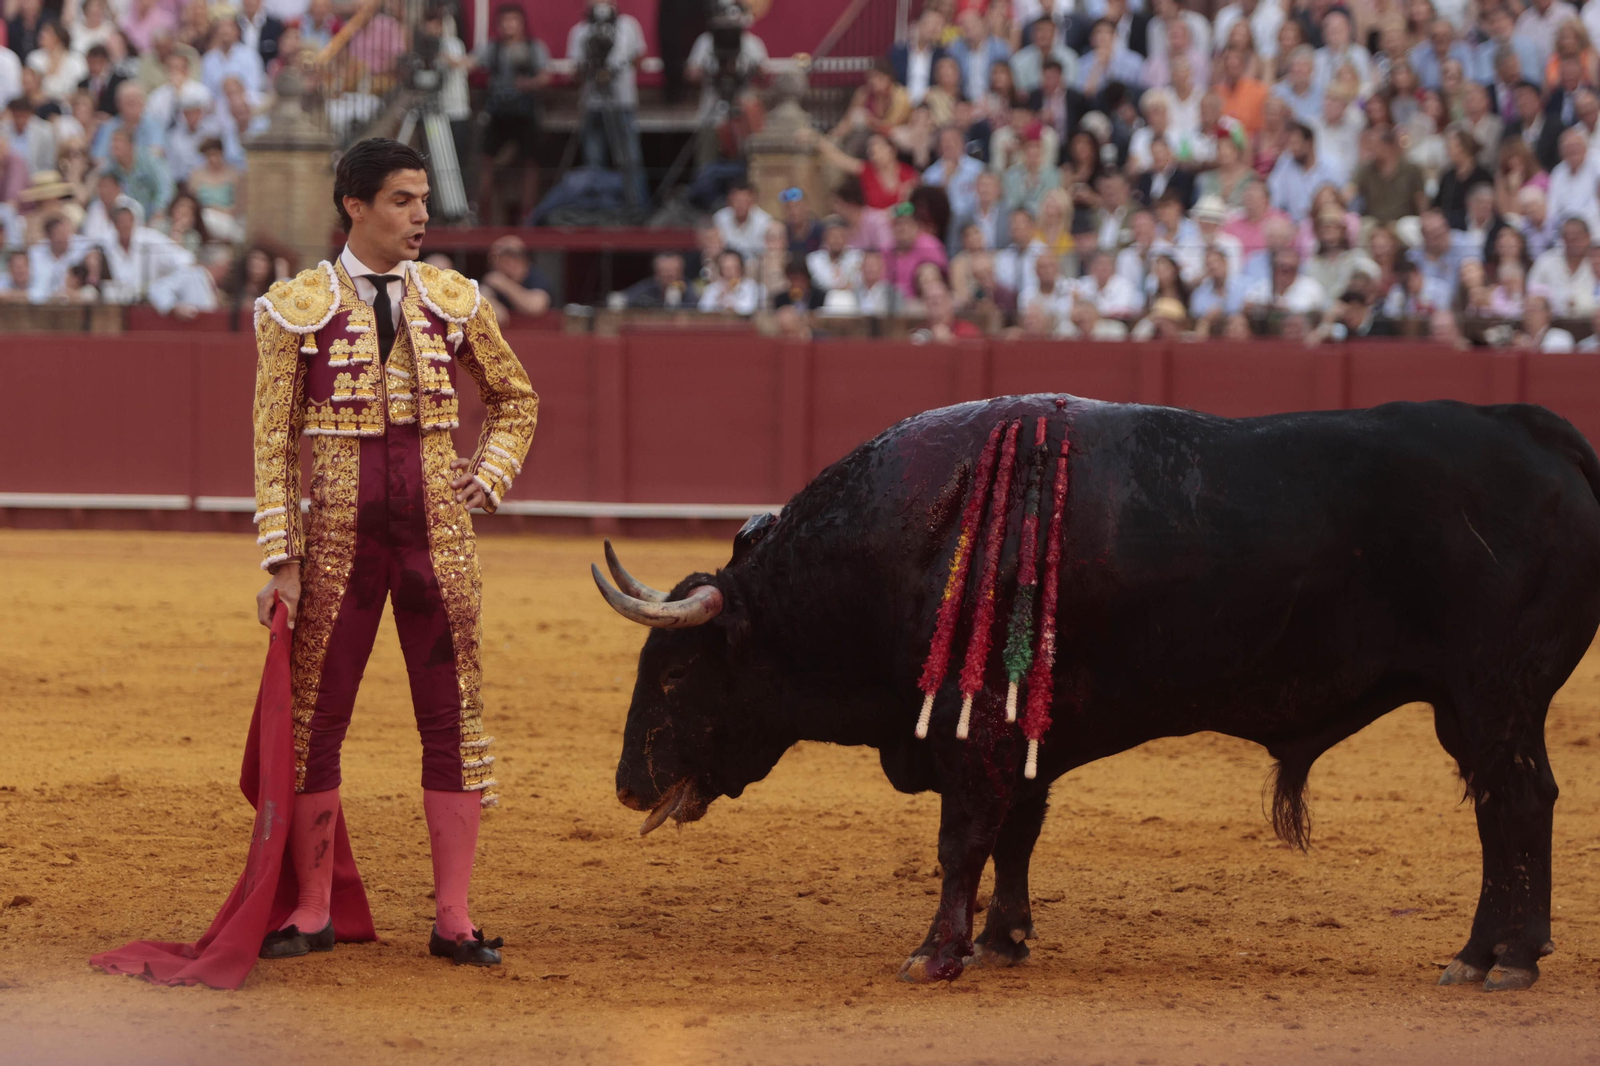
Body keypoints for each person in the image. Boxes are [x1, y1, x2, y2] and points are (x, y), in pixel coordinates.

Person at [250, 139, 537, 967]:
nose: (421, 215)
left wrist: (491, 473)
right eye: (404, 200)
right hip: (336, 542)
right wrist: (281, 558)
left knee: (454, 721)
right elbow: (273, 442)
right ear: (356, 205)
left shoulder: (453, 298)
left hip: (438, 539)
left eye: (422, 201)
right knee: (315, 722)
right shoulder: (293, 307)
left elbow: (516, 398)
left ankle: (454, 916)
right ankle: (312, 909)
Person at [567, 0, 648, 208]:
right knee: (594, 161)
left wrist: (615, 69)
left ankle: (636, 207)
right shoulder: (580, 30)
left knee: (630, 159)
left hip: (622, 101)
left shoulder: (628, 25)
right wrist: (591, 67)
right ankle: (598, 207)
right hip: (592, 102)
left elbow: (639, 57)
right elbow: (575, 70)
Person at [475, 4, 550, 225]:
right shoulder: (492, 48)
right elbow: (472, 62)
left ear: (521, 23)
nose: (509, 25)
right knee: (486, 162)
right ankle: (483, 213)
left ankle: (528, 213)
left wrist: (530, 83)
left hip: (525, 113)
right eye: (505, 21)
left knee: (530, 164)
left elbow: (545, 77)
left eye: (513, 20)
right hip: (498, 112)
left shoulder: (534, 47)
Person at [479, 233, 554, 319]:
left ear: (525, 260)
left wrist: (503, 283)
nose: (510, 264)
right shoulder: (491, 281)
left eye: (515, 257)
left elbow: (536, 306)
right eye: (504, 259)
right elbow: (496, 317)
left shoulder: (536, 277)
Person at [713, 179, 773, 264]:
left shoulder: (765, 222)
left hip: (757, 266)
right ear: (729, 200)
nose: (740, 205)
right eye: (737, 200)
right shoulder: (720, 219)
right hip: (727, 267)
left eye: (744, 201)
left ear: (752, 201)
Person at [698, 247, 762, 313]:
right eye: (726, 268)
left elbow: (749, 308)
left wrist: (731, 299)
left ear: (741, 267)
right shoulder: (713, 287)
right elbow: (702, 309)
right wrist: (718, 298)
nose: (730, 272)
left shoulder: (750, 286)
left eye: (734, 267)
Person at [623, 251, 692, 308]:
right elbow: (624, 300)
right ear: (656, 273)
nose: (670, 275)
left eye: (675, 271)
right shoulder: (645, 289)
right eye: (665, 271)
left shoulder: (691, 290)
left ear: (682, 272)